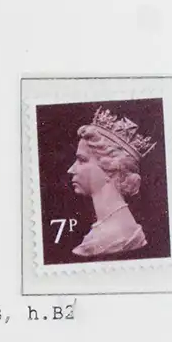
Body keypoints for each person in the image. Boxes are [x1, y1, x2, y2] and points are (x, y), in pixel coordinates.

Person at [66, 108, 155, 257]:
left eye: (82, 160)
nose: (71, 170)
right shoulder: (116, 230)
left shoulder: (116, 236)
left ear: (111, 168)